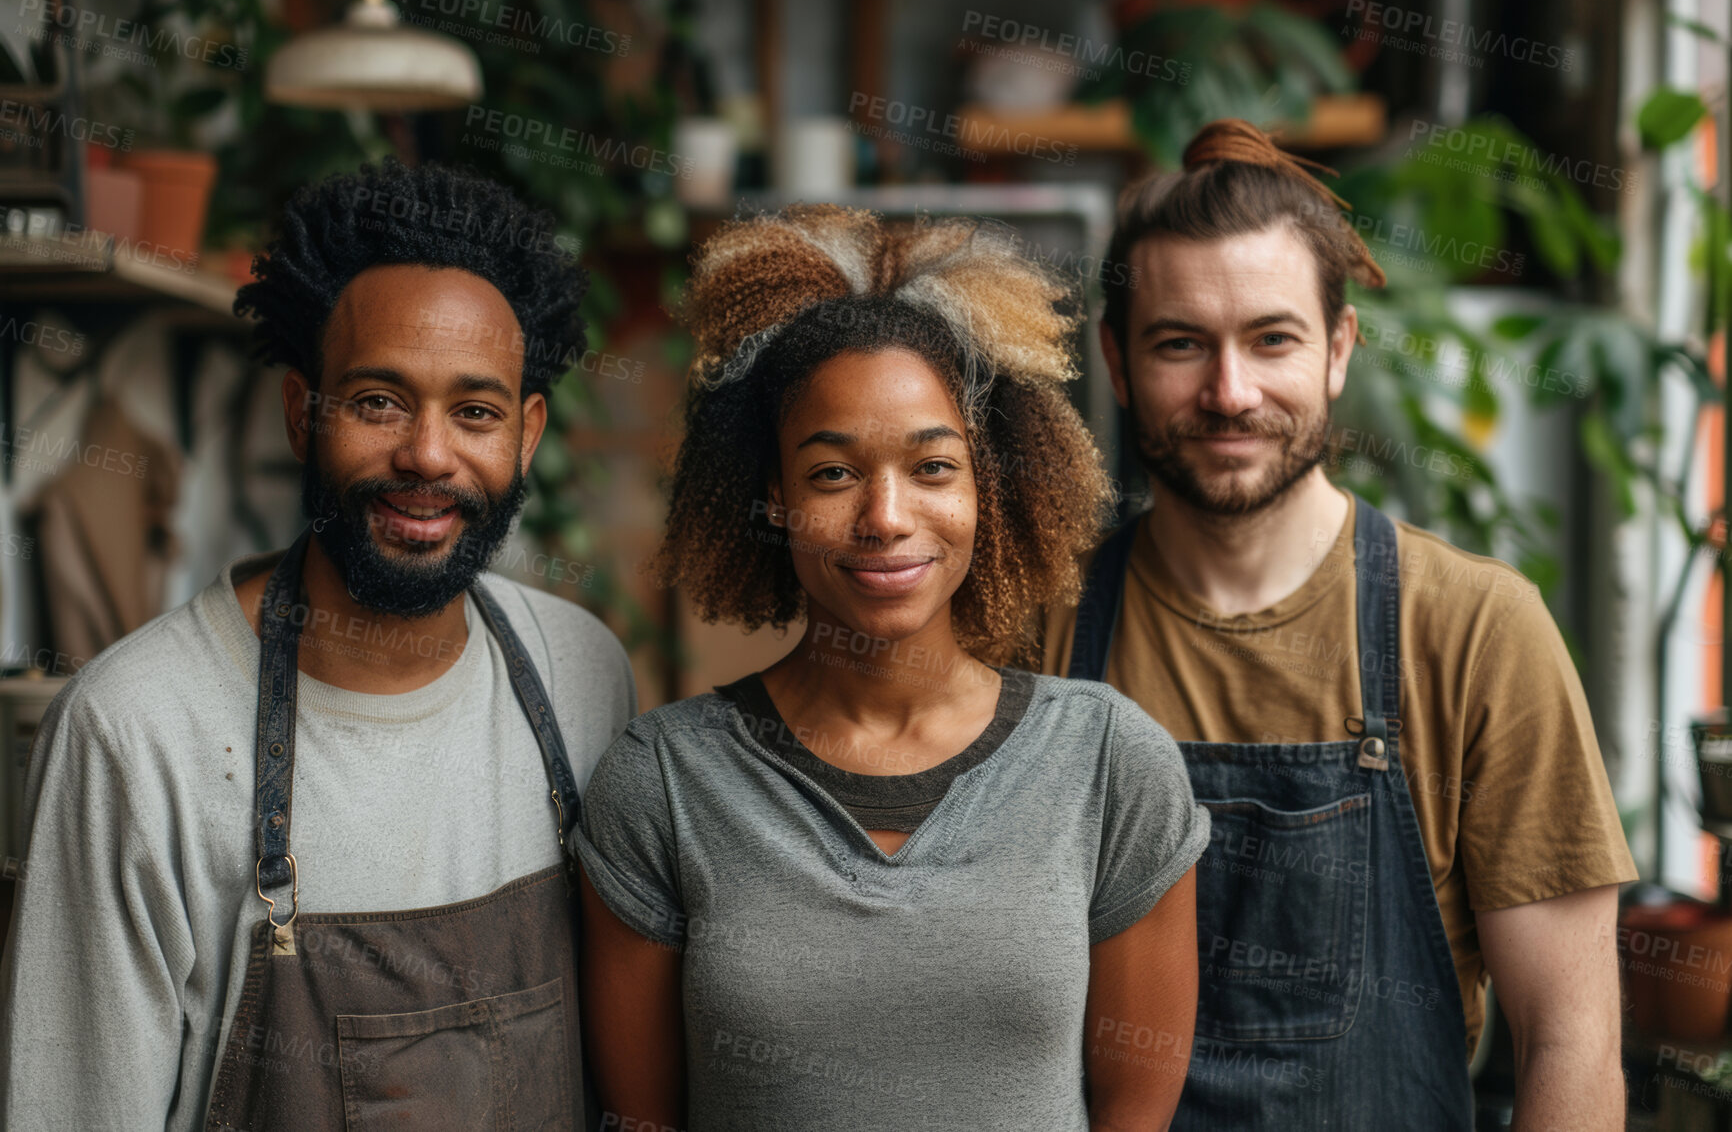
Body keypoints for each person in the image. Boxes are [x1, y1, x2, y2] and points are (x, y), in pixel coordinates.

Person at [0, 160, 636, 1131]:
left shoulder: (583, 675)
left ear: (527, 433)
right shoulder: (134, 734)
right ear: (305, 412)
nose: (428, 455)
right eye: (379, 401)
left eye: (475, 411)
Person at [1043, 119, 1638, 1130]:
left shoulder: (1474, 631)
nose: (1229, 394)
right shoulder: (1036, 627)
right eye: (1180, 344)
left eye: (1271, 339)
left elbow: (1568, 1042)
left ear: (1338, 349)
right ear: (1115, 358)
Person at [575, 205, 1211, 1131]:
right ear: (774, 498)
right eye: (832, 473)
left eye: (933, 468)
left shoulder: (1110, 763)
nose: (885, 515)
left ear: (989, 486)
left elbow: (1133, 1115)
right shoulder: (663, 782)